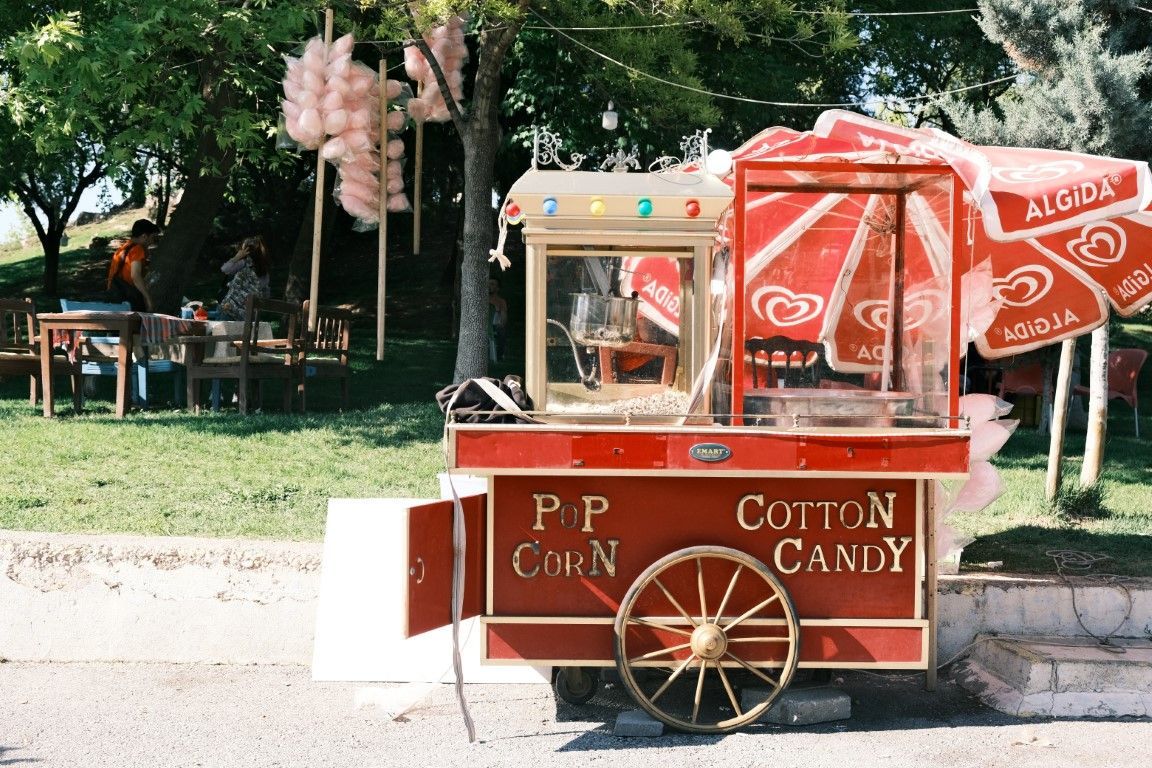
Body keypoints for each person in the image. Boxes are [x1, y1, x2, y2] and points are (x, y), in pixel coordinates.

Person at [105, 218, 160, 311]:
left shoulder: (124, 247)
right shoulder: (137, 249)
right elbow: (135, 276)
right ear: (144, 236)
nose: (152, 242)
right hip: (128, 297)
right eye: (153, 238)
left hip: (115, 294)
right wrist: (148, 298)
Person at [217, 236, 272, 320]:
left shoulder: (243, 264)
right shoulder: (264, 272)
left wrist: (237, 257)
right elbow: (265, 294)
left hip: (230, 310)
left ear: (245, 251)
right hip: (247, 316)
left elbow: (225, 269)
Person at [488, 276, 508, 363]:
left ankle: (499, 355)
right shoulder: (481, 299)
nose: (489, 286)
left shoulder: (501, 301)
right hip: (482, 325)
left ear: (497, 288)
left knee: (501, 332)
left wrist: (501, 324)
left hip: (494, 325)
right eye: (488, 284)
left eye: (492, 284)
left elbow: (503, 316)